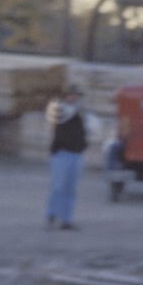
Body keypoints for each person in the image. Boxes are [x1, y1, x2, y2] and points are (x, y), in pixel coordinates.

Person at [45, 85, 87, 230]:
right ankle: (52, 213)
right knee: (58, 187)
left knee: (70, 189)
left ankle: (66, 219)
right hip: (62, 153)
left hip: (76, 153)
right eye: (71, 94)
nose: (73, 97)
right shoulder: (61, 110)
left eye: (76, 95)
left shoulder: (79, 112)